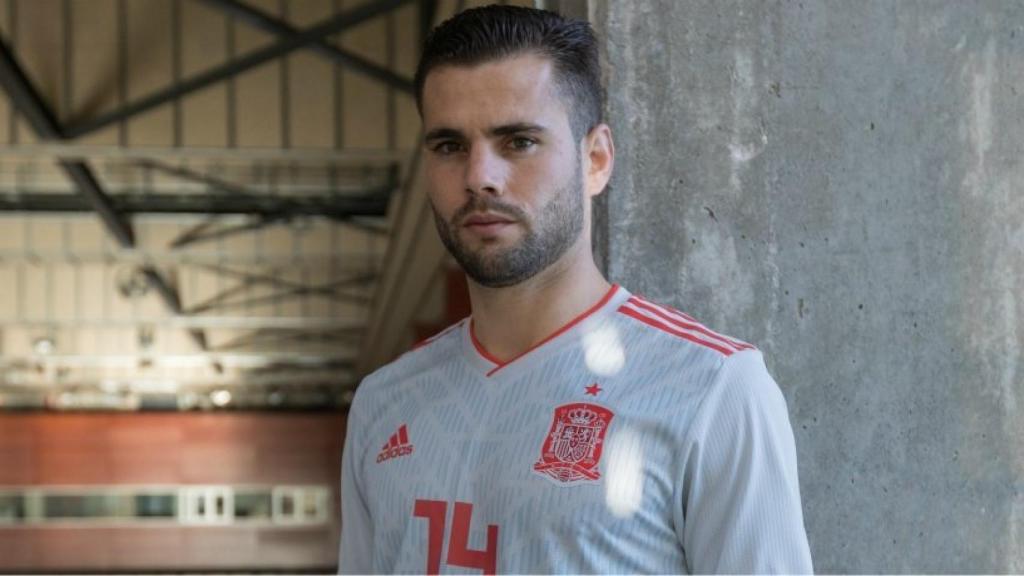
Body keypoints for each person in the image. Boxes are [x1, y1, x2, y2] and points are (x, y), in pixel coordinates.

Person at [339, 5, 812, 574]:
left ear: (596, 160)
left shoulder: (714, 389)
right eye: (449, 146)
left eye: (519, 141)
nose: (479, 176)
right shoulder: (384, 403)